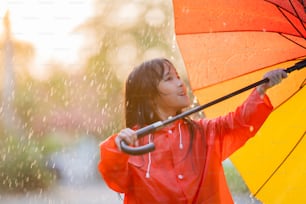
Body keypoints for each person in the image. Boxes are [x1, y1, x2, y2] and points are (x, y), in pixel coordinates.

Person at [98, 58, 287, 204]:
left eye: (178, 77)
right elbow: (117, 179)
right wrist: (118, 149)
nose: (181, 83)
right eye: (169, 79)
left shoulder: (204, 132)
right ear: (149, 95)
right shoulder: (132, 142)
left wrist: (261, 90)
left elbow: (239, 122)